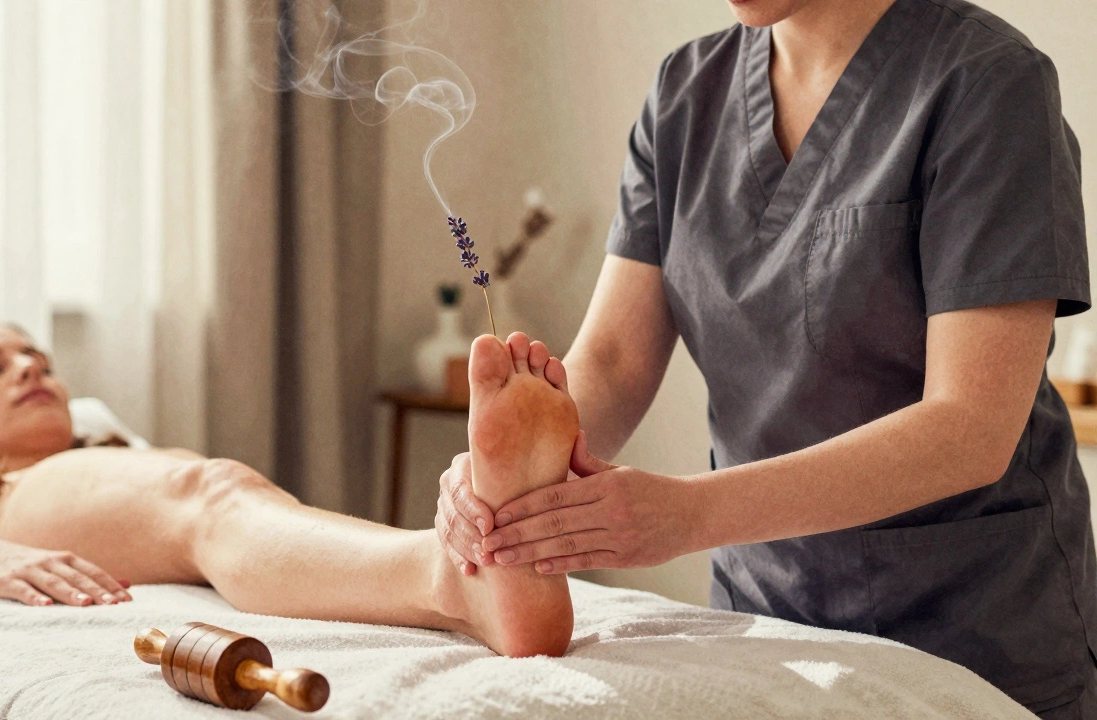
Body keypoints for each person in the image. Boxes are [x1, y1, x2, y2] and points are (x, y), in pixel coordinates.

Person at [435, 0, 1095, 715]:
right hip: (763, 625)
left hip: (970, 633)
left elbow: (970, 429)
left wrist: (689, 515)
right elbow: (617, 364)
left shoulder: (990, 84)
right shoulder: (685, 95)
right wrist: (507, 484)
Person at [0, 315, 579, 658]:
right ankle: (452, 578)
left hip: (191, 508)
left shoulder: (109, 448)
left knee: (225, 496)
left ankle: (464, 586)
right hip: (156, 509)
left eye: (38, 359)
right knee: (212, 500)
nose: (30, 368)